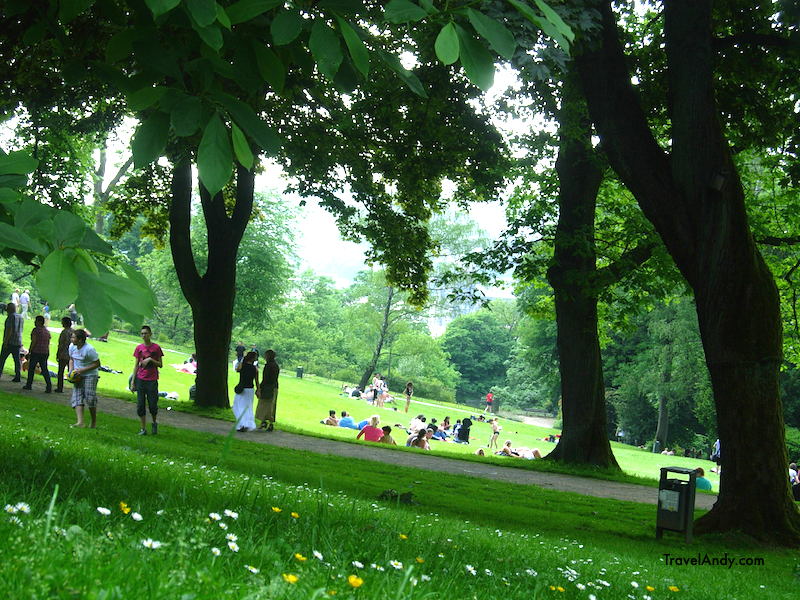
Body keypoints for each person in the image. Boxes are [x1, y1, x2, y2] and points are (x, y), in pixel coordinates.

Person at [130, 325, 164, 435]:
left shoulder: (156, 348)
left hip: (152, 380)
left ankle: (154, 423)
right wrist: (133, 381)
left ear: (150, 334)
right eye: (142, 334)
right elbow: (136, 365)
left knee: (153, 404)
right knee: (140, 405)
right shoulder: (139, 348)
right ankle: (143, 428)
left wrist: (150, 360)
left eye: (146, 333)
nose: (144, 335)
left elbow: (160, 364)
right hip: (140, 379)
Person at [68, 329, 101, 428]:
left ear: (80, 340)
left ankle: (93, 421)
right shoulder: (72, 347)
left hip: (90, 375)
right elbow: (71, 359)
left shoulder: (89, 349)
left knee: (90, 398)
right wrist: (70, 372)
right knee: (77, 397)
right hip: (78, 375)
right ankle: (80, 422)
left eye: (73, 337)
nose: (71, 339)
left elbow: (97, 364)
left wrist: (82, 370)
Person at [22, 315, 52, 392]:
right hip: (45, 352)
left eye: (36, 321)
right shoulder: (46, 331)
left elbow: (34, 341)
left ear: (39, 322)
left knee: (31, 368)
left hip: (36, 352)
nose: (35, 322)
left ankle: (29, 385)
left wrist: (30, 351)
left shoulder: (35, 330)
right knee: (44, 369)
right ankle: (49, 386)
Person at [232, 351, 259, 432]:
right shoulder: (255, 368)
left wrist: (242, 359)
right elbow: (257, 381)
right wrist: (258, 390)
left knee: (238, 406)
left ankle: (242, 423)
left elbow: (237, 369)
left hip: (241, 388)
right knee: (248, 407)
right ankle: (246, 423)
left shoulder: (242, 366)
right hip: (250, 389)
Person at [0, 302, 24, 382]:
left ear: (9, 309)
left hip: (10, 342)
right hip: (18, 341)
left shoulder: (11, 317)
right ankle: (18, 376)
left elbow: (9, 330)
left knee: (2, 359)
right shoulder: (20, 317)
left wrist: (5, 341)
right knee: (17, 360)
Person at [256, 349, 279, 431]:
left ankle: (264, 421)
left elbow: (265, 378)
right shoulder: (276, 365)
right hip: (274, 387)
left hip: (267, 388)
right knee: (271, 406)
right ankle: (269, 423)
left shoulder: (268, 366)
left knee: (264, 405)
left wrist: (259, 388)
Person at [55, 317, 75, 393]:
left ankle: (59, 387)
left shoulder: (64, 332)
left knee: (60, 372)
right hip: (72, 356)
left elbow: (61, 344)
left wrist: (58, 353)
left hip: (63, 354)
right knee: (72, 373)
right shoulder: (74, 332)